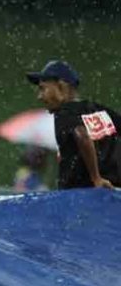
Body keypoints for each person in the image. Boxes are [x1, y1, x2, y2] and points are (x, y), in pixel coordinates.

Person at [26, 60, 121, 189]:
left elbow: (82, 135)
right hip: (113, 196)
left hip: (81, 197)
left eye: (43, 89)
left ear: (61, 87)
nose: (40, 96)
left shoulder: (65, 113)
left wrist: (96, 178)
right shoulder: (101, 111)